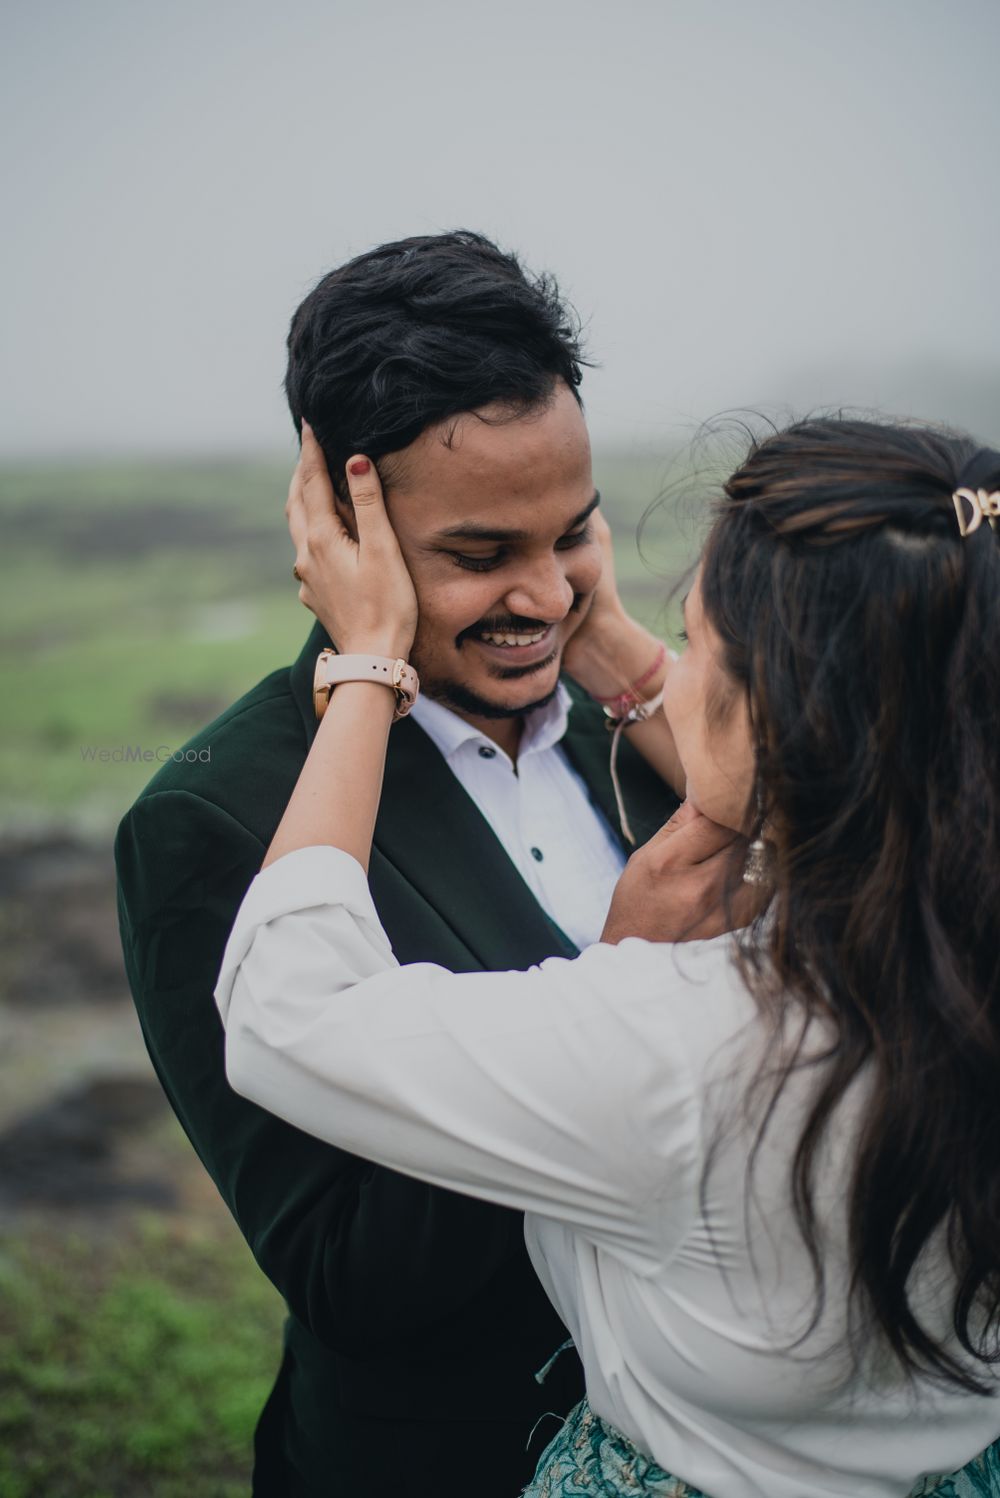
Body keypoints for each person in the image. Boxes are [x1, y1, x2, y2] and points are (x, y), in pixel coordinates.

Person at [214, 417, 1000, 1497]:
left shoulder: (687, 1045)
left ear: (785, 715)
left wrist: (364, 667)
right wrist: (597, 634)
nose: (664, 676)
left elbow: (283, 1009)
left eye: (696, 643)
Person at [114, 230, 707, 1497]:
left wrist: (621, 649)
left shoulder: (657, 732)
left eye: (575, 533)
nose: (545, 596)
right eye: (483, 555)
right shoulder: (216, 821)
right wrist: (624, 987)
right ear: (344, 522)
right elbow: (347, 1277)